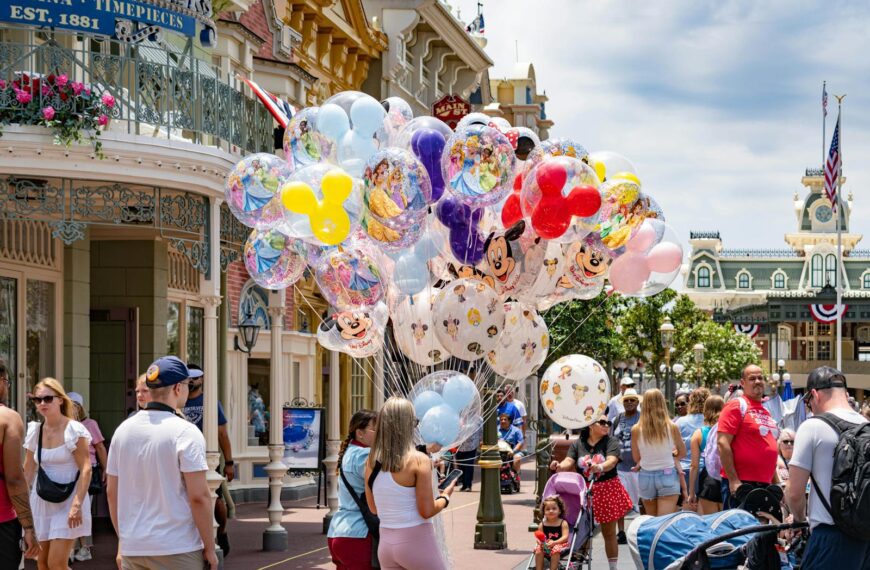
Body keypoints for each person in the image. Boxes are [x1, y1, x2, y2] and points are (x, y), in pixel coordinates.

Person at [107, 355, 217, 569]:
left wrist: (126, 538)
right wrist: (210, 547)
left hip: (134, 548)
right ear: (178, 388)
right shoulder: (185, 432)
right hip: (176, 547)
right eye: (187, 384)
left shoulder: (122, 431)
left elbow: (112, 492)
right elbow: (199, 497)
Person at [787, 366, 869, 568]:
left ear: (814, 394)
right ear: (846, 394)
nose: (809, 408)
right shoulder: (865, 426)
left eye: (808, 402)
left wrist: (799, 520)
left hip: (830, 537)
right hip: (865, 536)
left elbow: (794, 492)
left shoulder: (812, 426)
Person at [364, 397, 454, 570]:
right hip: (415, 539)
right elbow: (426, 511)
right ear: (407, 425)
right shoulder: (418, 460)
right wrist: (445, 496)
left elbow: (373, 509)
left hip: (386, 544)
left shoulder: (371, 461)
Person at [23, 377, 93, 570]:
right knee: (42, 564)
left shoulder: (74, 429)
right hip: (42, 500)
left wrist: (77, 505)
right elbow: (27, 470)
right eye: (38, 400)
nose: (42, 403)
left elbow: (86, 467)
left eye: (48, 398)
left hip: (70, 500)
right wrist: (18, 505)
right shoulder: (35, 430)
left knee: (56, 564)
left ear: (60, 399)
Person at [551, 413, 633, 570]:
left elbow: (612, 460)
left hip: (607, 488)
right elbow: (569, 461)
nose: (606, 425)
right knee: (582, 530)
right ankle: (578, 564)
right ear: (590, 425)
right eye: (602, 422)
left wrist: (600, 467)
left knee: (608, 533)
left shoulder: (611, 442)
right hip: (585, 490)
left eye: (608, 423)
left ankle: (613, 567)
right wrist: (559, 466)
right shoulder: (578, 444)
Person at [183, 363, 235, 556]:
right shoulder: (179, 402)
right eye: (188, 378)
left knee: (217, 499)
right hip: (184, 458)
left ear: (202, 379)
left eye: (195, 378)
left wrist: (229, 462)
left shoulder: (210, 402)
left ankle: (221, 531)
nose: (191, 381)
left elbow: (222, 433)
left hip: (208, 459)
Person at [717, 364, 779, 509]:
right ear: (743, 383)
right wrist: (733, 480)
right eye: (752, 379)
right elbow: (722, 443)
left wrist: (776, 483)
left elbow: (768, 448)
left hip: (765, 485)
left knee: (761, 531)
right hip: (742, 485)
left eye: (760, 378)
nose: (757, 381)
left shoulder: (765, 411)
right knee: (741, 529)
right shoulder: (736, 406)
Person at [328, 409, 378, 570]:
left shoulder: (350, 451)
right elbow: (386, 480)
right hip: (359, 533)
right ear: (360, 433)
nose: (380, 434)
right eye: (375, 429)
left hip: (338, 530)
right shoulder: (364, 455)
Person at [0, 363, 39, 567]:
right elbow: (14, 479)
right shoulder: (8, 418)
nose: (7, 388)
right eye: (6, 382)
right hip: (3, 520)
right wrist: (29, 528)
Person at [630, 389, 686, 517]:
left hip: (646, 476)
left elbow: (636, 457)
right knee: (664, 523)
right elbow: (682, 452)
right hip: (668, 475)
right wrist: (671, 455)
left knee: (653, 522)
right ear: (662, 403)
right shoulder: (672, 426)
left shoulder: (636, 429)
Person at [67, 391, 108, 562]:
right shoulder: (64, 425)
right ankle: (71, 548)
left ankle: (84, 547)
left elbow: (99, 447)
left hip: (87, 469)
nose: (73, 409)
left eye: (75, 405)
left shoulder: (90, 424)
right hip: (68, 471)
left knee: (84, 509)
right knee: (69, 510)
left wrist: (106, 468)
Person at [611, 388, 641, 545]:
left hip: (639, 467)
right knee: (620, 501)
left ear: (637, 402)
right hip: (620, 467)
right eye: (626, 400)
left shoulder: (642, 418)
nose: (629, 402)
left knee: (641, 501)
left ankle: (642, 530)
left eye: (632, 400)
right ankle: (621, 532)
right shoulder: (617, 419)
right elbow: (611, 439)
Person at [688, 395, 724, 514]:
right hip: (726, 477)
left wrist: (691, 492)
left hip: (708, 480)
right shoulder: (729, 431)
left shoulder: (699, 434)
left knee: (710, 524)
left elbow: (694, 466)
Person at [675, 388, 708, 495]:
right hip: (706, 470)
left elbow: (674, 448)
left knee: (687, 506)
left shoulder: (680, 422)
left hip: (684, 471)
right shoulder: (711, 421)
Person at [533, 495, 569, 570]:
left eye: (554, 508)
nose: (551, 511)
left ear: (559, 511)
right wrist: (540, 542)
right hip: (546, 546)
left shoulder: (563, 523)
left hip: (560, 545)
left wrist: (554, 542)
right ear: (544, 512)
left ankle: (553, 569)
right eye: (548, 509)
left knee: (555, 550)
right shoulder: (542, 524)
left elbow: (565, 537)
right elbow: (539, 538)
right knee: (538, 550)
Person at [455, 423, 481, 492]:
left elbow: (481, 431)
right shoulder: (460, 418)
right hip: (460, 447)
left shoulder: (478, 420)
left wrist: (481, 441)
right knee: (461, 466)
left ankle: (468, 485)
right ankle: (464, 485)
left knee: (468, 465)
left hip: (471, 446)